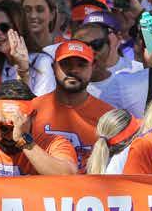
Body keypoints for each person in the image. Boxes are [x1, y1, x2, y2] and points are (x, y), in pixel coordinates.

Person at [30, 40, 113, 170]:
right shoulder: (32, 109)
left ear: (93, 67)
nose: (74, 70)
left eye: (81, 65)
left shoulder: (108, 117)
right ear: (53, 67)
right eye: (66, 64)